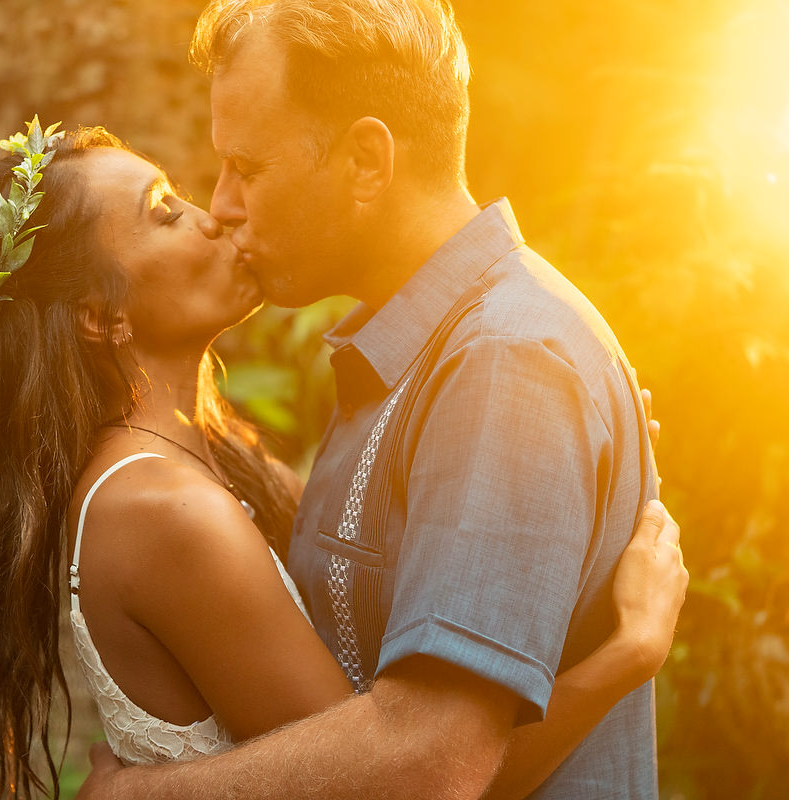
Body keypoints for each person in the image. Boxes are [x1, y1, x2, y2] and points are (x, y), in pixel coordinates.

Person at [0, 119, 683, 798]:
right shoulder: (163, 510)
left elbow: (379, 533)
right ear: (100, 316)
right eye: (165, 212)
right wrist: (627, 652)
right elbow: (407, 779)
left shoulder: (197, 462)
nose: (214, 215)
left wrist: (554, 431)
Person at [78, 0, 688, 798]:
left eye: (249, 169)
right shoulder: (415, 355)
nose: (222, 205)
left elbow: (433, 762)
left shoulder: (507, 362)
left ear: (367, 161)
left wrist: (143, 793)